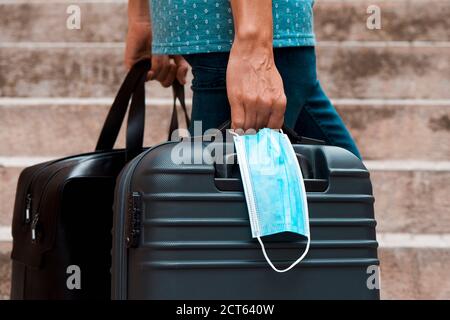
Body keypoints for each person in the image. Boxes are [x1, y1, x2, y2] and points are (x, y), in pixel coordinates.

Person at [125, 0, 361, 159]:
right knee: (224, 212)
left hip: (209, 24)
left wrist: (144, 18)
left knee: (346, 182)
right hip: (243, 28)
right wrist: (253, 42)